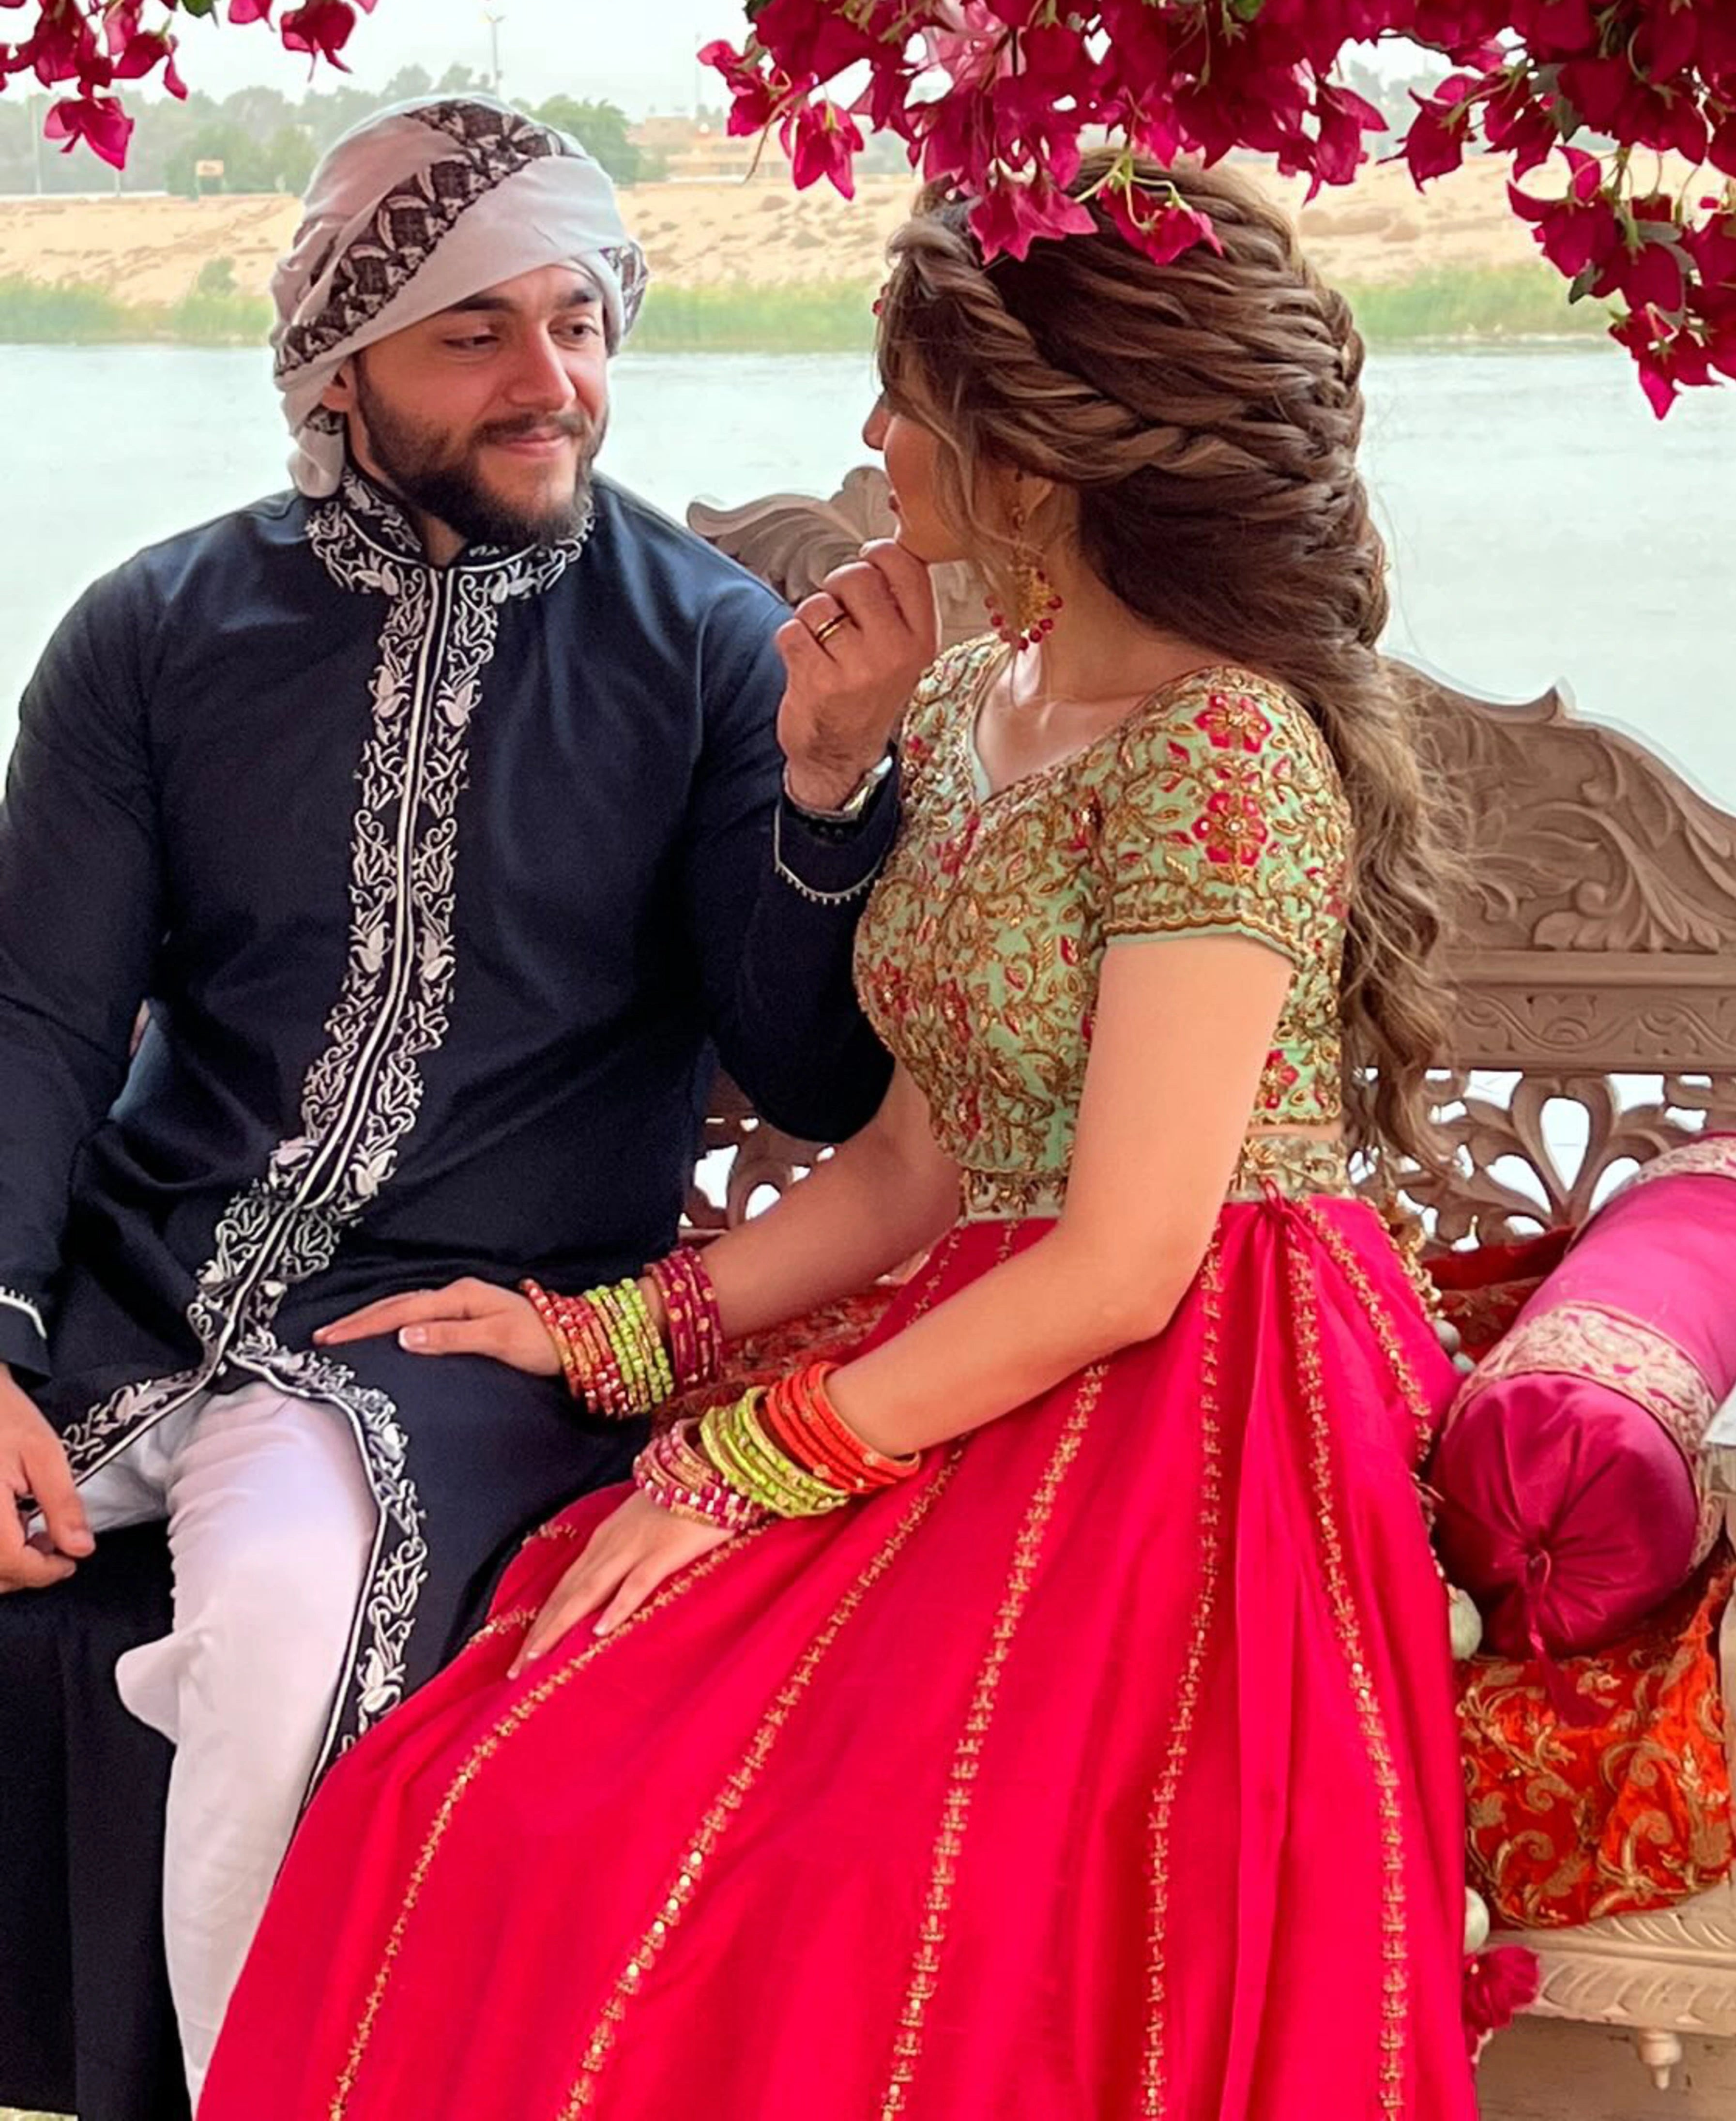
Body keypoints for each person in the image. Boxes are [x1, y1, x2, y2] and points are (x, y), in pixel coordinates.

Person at [200, 153, 1478, 2120]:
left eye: (907, 401)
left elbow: (1126, 1247)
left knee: (820, 1873)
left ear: (1030, 462)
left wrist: (742, 1455)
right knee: (496, 1773)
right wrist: (605, 1336)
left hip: (1187, 1391)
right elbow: (910, 1165)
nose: (871, 436)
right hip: (969, 1336)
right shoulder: (979, 691)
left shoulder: (1224, 749)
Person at [0, 94, 932, 2119]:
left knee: (273, 1635)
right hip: (131, 1299)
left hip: (456, 1346)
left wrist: (828, 792)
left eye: (580, 322)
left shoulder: (704, 647)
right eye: (477, 334)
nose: (553, 382)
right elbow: (40, 1016)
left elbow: (816, 1077)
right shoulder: (155, 631)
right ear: (340, 368)